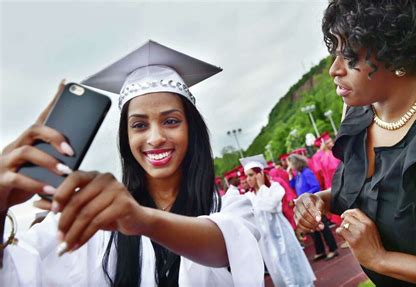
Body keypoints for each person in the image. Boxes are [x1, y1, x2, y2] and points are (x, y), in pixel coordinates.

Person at [0, 40, 264, 286]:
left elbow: (227, 245)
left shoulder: (230, 204)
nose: (156, 138)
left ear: (191, 128)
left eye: (171, 121)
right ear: (126, 137)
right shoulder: (97, 220)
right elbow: (19, 268)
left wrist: (142, 220)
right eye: (139, 125)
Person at [295, 1, 416, 286]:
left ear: (396, 54)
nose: (334, 69)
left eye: (350, 55)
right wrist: (319, 201)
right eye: (335, 51)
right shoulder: (358, 110)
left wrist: (380, 259)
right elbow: (372, 192)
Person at [241, 155, 315, 287]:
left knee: (291, 262)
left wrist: (262, 186)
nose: (248, 179)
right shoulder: (249, 196)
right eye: (247, 176)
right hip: (266, 239)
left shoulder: (275, 187)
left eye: (251, 175)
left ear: (260, 174)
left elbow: (271, 206)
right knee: (276, 267)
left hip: (280, 233)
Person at [287, 154, 338, 261]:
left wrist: (305, 196)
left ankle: (333, 249)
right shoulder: (298, 174)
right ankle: (320, 251)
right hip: (306, 205)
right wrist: (291, 176)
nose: (289, 166)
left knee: (323, 227)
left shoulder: (306, 173)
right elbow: (293, 186)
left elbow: (316, 186)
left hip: (313, 203)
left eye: (290, 164)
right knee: (312, 229)